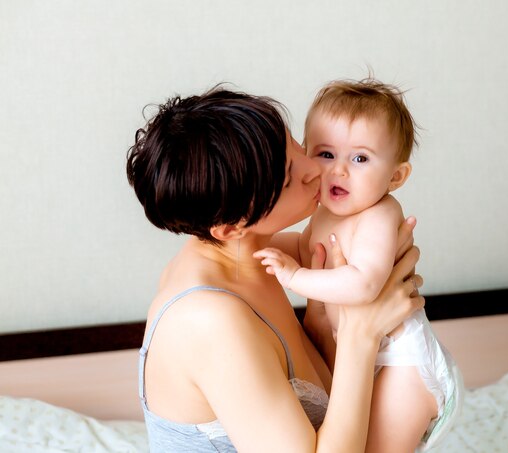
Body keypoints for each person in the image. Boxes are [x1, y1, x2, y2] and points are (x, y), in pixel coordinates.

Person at [126, 84, 426, 452]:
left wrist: (320, 320)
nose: (315, 168)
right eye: (288, 178)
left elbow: (329, 401)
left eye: (295, 146)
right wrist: (358, 336)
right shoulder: (208, 320)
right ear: (232, 226)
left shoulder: (252, 258)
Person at [254, 78, 463, 452]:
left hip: (404, 365)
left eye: (360, 158)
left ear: (395, 177)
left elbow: (363, 283)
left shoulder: (379, 215)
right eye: (326, 154)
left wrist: (295, 276)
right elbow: (307, 250)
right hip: (364, 355)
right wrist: (256, 247)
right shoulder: (325, 213)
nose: (339, 171)